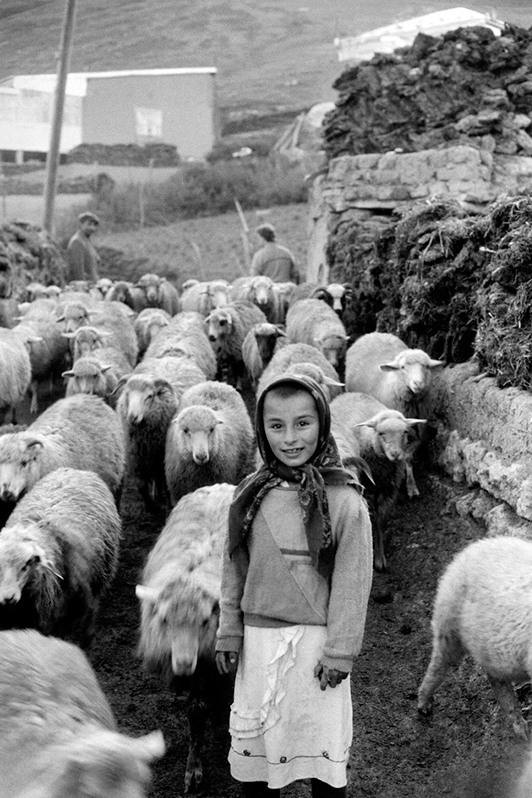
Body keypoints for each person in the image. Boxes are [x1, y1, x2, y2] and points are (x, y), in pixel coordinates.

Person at [215, 374, 373, 798]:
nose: (290, 439)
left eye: (303, 424)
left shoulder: (344, 501)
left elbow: (353, 581)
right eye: (276, 425)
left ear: (322, 423)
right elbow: (234, 567)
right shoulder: (249, 496)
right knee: (258, 770)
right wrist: (229, 629)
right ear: (261, 429)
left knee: (322, 767)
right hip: (258, 643)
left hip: (317, 654)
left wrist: (340, 651)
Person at [66, 211, 101, 284]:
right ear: (80, 225)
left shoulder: (86, 241)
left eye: (94, 225)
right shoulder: (77, 242)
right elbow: (78, 272)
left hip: (93, 285)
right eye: (89, 224)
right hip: (84, 288)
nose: (92, 228)